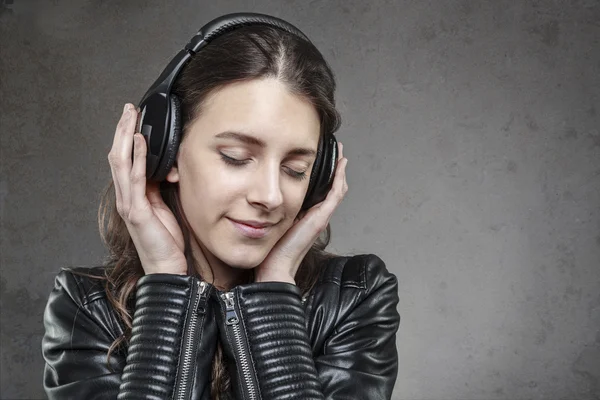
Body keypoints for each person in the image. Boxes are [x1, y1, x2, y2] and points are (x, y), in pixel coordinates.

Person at [41, 12, 400, 400]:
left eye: (296, 169)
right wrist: (165, 283)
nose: (271, 196)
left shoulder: (356, 295)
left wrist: (275, 289)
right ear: (167, 152)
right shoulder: (86, 308)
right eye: (235, 157)